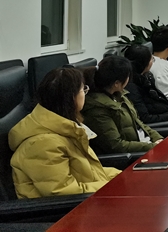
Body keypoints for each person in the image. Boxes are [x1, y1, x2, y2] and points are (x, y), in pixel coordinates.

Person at [9, 66, 121, 198]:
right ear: (71, 97)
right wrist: (113, 186)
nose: (85, 94)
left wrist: (123, 177)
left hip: (87, 198)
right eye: (83, 89)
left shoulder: (65, 128)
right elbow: (62, 192)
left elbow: (91, 173)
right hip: (67, 208)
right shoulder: (42, 144)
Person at [82, 56, 164, 154]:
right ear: (117, 83)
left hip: (144, 145)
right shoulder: (97, 108)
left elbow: (138, 123)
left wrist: (157, 138)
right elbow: (116, 145)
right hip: (134, 155)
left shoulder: (119, 95)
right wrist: (152, 146)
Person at [124, 44, 168, 124]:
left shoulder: (146, 77)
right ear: (144, 63)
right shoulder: (131, 87)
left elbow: (160, 100)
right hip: (165, 125)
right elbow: (145, 118)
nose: (153, 62)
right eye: (151, 59)